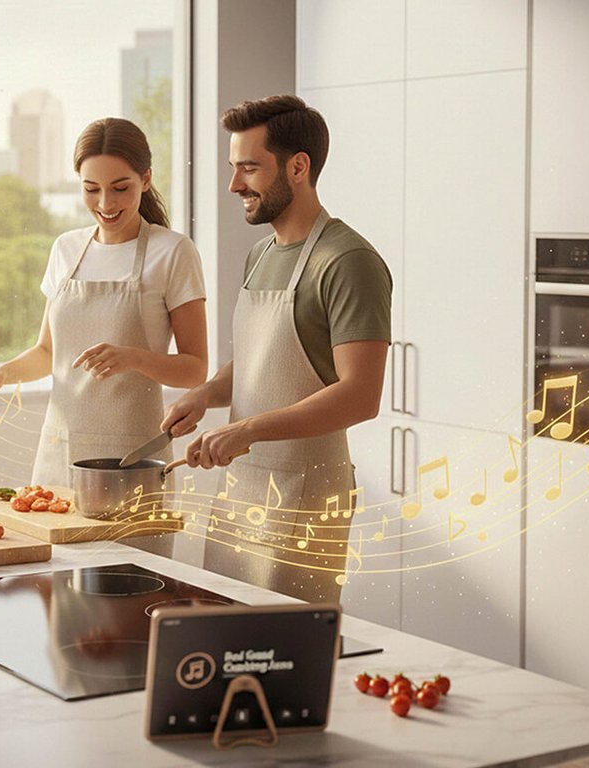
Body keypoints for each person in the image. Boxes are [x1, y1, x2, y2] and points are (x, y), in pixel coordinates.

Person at [161, 95, 392, 603]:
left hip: (305, 498)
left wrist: (247, 429)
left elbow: (361, 396)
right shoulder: (260, 254)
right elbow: (261, 358)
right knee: (222, 628)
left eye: (249, 168)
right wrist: (206, 394)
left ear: (298, 167)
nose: (234, 185)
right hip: (242, 489)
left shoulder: (348, 261)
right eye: (233, 167)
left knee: (287, 643)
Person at [0, 117, 208, 489]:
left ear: (146, 179)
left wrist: (134, 358)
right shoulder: (66, 249)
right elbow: (49, 353)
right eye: (91, 188)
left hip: (133, 457)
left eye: (120, 188)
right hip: (59, 449)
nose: (105, 203)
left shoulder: (173, 251)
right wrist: (0, 375)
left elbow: (195, 369)